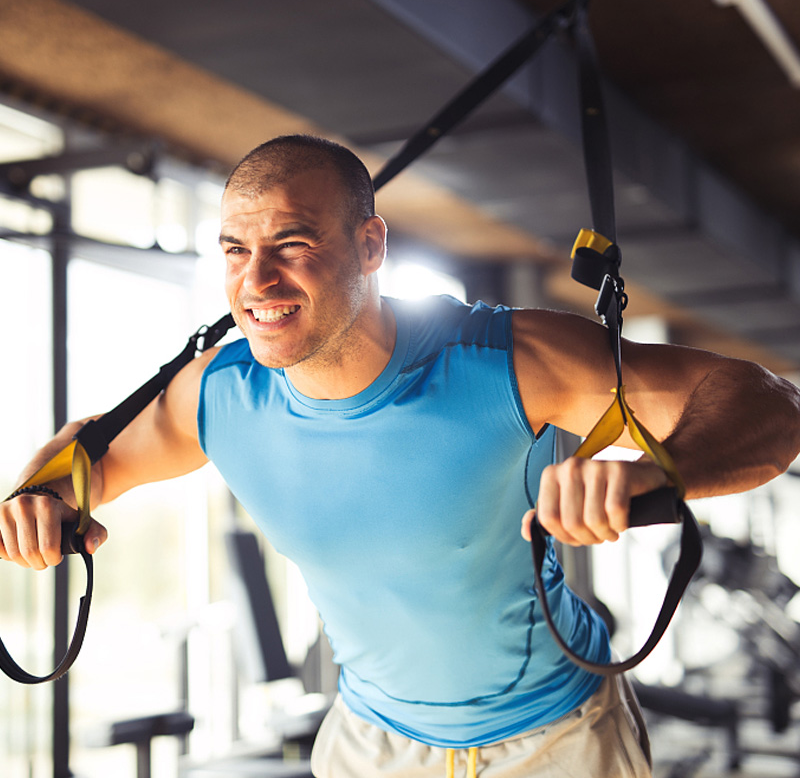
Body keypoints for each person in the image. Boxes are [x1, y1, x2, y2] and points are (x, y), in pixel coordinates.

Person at [2, 134, 799, 778]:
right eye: (235, 250)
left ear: (371, 244)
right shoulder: (219, 394)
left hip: (555, 740)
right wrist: (38, 497)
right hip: (372, 742)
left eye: (292, 242)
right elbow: (91, 455)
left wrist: (656, 471)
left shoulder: (505, 361)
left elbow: (768, 403)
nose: (256, 279)